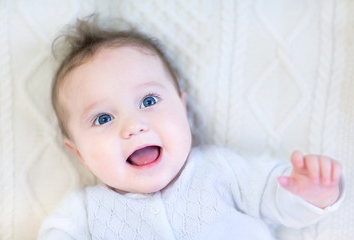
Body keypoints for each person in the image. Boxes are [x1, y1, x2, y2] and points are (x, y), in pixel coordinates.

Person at [38, 16, 345, 240]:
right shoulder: (86, 210)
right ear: (78, 152)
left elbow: (274, 196)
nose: (133, 126)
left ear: (182, 108)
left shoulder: (220, 170)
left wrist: (309, 193)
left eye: (148, 100)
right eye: (103, 118)